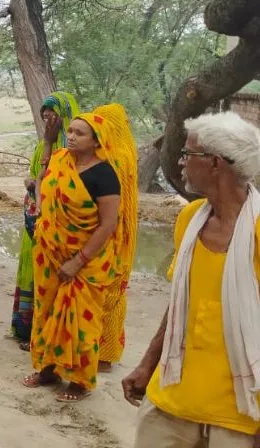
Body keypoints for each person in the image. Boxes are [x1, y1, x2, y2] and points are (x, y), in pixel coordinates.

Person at [120, 111, 260, 446]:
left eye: (188, 154)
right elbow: (180, 303)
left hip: (238, 413)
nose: (181, 163)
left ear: (215, 163)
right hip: (173, 396)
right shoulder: (188, 221)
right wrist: (147, 363)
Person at [22, 103, 136, 403]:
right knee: (46, 313)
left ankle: (81, 381)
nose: (71, 137)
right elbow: (44, 193)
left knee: (80, 320)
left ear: (97, 140)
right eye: (70, 131)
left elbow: (108, 224)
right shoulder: (60, 160)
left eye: (79, 133)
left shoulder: (104, 173)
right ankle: (47, 369)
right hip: (50, 254)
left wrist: (78, 261)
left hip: (86, 259)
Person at [12, 91, 78, 347]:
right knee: (32, 268)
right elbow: (35, 175)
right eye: (45, 115)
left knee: (51, 274)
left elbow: (54, 181)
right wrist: (30, 181)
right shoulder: (42, 145)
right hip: (35, 216)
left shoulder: (73, 148)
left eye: (54, 115)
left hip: (57, 219)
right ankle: (27, 327)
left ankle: (46, 334)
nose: (49, 120)